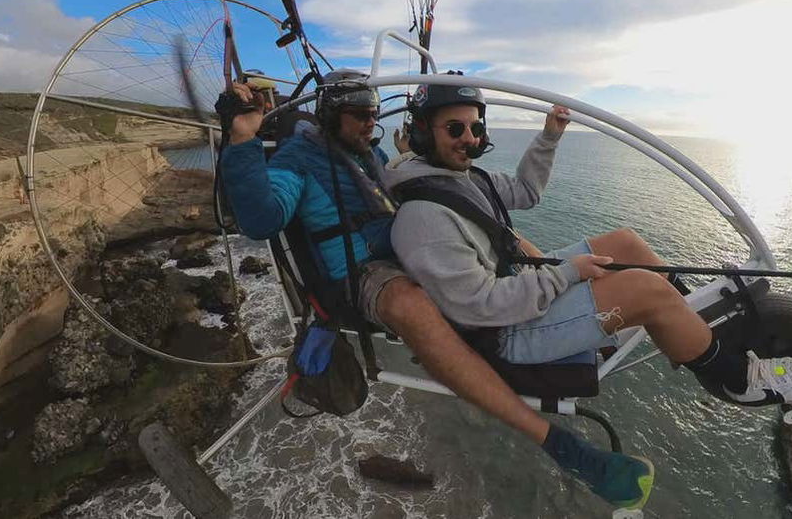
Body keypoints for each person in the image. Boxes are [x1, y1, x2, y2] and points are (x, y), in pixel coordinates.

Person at [385, 80, 792, 510]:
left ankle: (696, 330)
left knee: (625, 243)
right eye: (455, 129)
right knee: (644, 288)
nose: (469, 139)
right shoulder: (423, 217)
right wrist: (566, 275)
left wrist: (549, 137)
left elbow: (525, 191)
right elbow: (480, 306)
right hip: (506, 333)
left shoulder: (462, 178)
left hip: (518, 287)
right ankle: (739, 379)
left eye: (475, 127)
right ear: (422, 132)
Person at [217, 70, 654, 509]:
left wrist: (420, 159)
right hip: (361, 271)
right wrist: (242, 139)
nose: (370, 123)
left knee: (503, 234)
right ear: (331, 115)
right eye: (358, 115)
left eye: (373, 114)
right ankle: (559, 444)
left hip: (398, 245)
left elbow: (400, 187)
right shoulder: (297, 161)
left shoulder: (367, 152)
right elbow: (261, 219)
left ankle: (559, 313)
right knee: (409, 302)